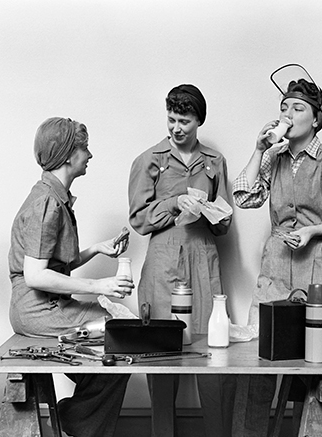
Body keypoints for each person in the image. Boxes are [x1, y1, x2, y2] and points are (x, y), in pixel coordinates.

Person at [232, 68, 322, 436]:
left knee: (321, 367)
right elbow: (244, 195)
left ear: (317, 118)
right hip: (275, 265)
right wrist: (259, 150)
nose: (287, 115)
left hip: (319, 266)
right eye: (284, 107)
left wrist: (312, 231)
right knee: (256, 358)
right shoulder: (274, 158)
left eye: (297, 109)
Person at [8, 117, 135, 437]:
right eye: (84, 148)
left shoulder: (52, 196)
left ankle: (74, 421)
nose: (90, 155)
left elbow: (52, 265)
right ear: (67, 155)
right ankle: (73, 422)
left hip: (45, 306)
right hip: (37, 310)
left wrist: (96, 250)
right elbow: (36, 276)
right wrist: (98, 285)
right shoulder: (47, 203)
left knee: (120, 339)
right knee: (120, 340)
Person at [128, 84, 235, 437]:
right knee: (161, 358)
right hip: (162, 265)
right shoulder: (149, 160)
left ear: (198, 121)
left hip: (203, 259)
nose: (176, 128)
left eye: (184, 121)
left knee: (213, 350)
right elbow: (139, 220)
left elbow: (223, 225)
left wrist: (217, 215)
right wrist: (174, 203)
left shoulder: (214, 162)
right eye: (172, 119)